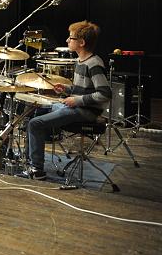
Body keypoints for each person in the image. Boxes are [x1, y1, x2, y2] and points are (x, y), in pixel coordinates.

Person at [20, 20, 111, 180]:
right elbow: (83, 89)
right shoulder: (80, 61)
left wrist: (77, 101)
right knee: (34, 111)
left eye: (71, 38)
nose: (67, 40)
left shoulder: (94, 64)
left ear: (81, 43)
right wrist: (67, 89)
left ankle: (37, 170)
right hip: (77, 107)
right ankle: (29, 161)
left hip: (85, 111)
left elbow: (104, 93)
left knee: (35, 124)